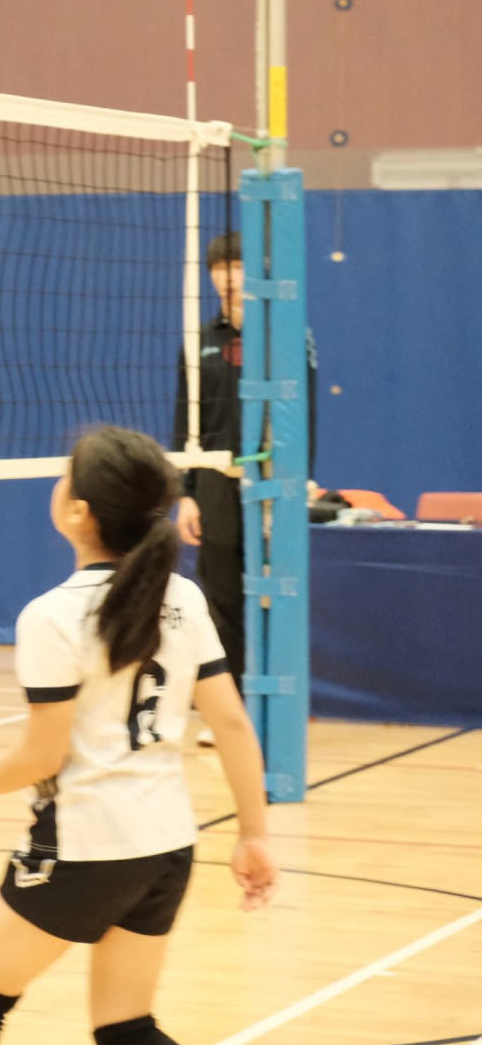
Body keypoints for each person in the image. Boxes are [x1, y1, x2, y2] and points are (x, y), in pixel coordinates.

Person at [0, 426, 278, 1045]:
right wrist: (254, 835)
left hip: (85, 845)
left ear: (79, 511)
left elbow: (41, 757)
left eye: (65, 475)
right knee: (128, 1034)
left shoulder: (52, 616)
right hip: (166, 845)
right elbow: (234, 727)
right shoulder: (183, 598)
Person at [172, 230, 317, 739]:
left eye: (236, 265)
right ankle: (228, 712)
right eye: (219, 267)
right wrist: (186, 492)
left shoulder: (285, 333)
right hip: (214, 479)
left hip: (272, 480)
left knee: (274, 595)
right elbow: (186, 418)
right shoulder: (199, 339)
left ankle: (276, 706)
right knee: (221, 599)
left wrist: (300, 477)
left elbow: (304, 408)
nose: (227, 276)